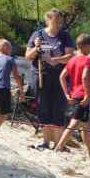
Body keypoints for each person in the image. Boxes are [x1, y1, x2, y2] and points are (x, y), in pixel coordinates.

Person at [25, 10, 75, 149]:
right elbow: (28, 56)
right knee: (43, 107)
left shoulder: (65, 36)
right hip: (40, 75)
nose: (59, 23)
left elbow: (70, 56)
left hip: (60, 78)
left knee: (58, 108)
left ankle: (58, 144)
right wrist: (36, 47)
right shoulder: (38, 35)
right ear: (48, 20)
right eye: (56, 20)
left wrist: (55, 60)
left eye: (61, 21)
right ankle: (46, 141)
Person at [54, 34, 90, 155]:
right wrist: (88, 95)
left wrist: (67, 93)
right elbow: (85, 77)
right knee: (74, 123)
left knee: (85, 126)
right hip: (83, 96)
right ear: (85, 46)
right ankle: (59, 146)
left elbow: (62, 76)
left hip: (74, 94)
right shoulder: (88, 60)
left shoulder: (72, 59)